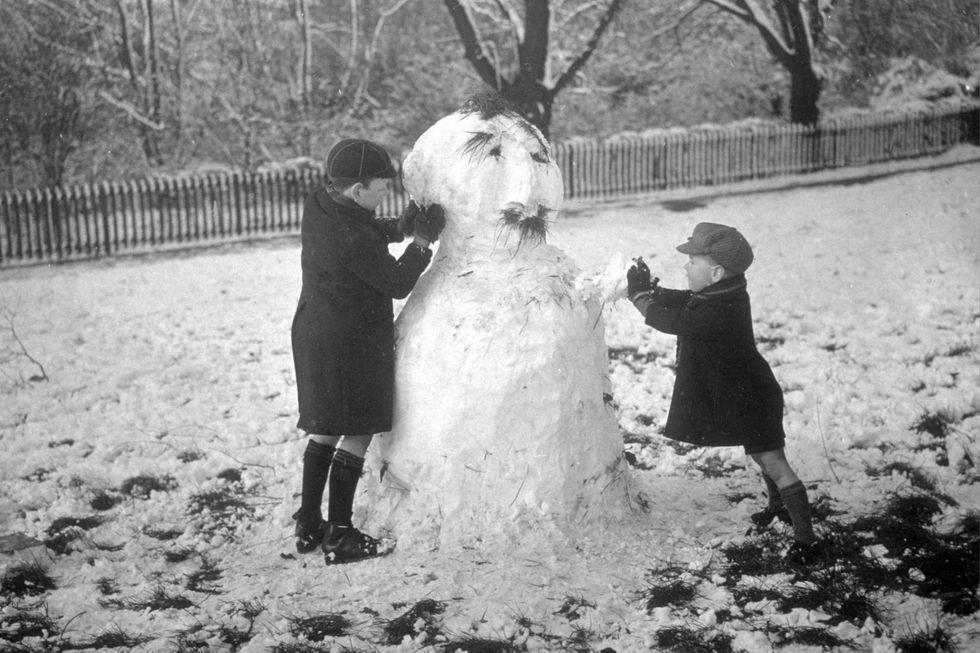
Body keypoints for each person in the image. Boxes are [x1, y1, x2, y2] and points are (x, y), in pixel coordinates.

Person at [626, 222, 822, 565]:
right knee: (764, 454)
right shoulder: (724, 294)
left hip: (750, 397)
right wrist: (653, 289)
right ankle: (779, 508)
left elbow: (674, 321)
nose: (686, 267)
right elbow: (686, 300)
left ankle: (806, 541)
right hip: (748, 391)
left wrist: (640, 297)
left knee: (773, 462)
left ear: (715, 272)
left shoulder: (716, 309)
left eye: (693, 262)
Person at [291, 138, 445, 565]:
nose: (385, 195)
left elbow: (362, 227)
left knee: (325, 427)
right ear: (357, 189)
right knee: (357, 430)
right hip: (349, 340)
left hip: (317, 331)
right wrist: (421, 243)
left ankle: (308, 523)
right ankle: (340, 535)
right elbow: (396, 283)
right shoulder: (352, 237)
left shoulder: (322, 203)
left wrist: (401, 225)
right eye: (380, 187)